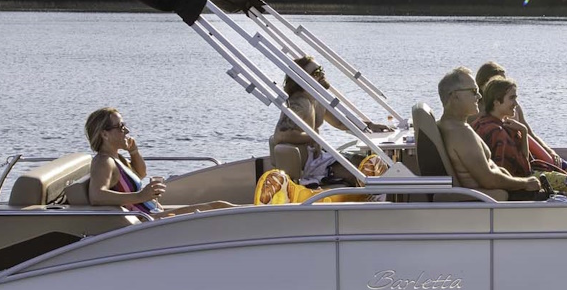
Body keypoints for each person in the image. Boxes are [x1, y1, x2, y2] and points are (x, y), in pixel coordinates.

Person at [435, 67, 559, 200]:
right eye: (474, 91)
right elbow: (489, 180)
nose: (479, 96)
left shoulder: (452, 126)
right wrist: (525, 183)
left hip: (497, 195)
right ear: (455, 95)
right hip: (494, 200)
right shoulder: (461, 135)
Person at [473, 74, 567, 199]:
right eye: (512, 98)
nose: (516, 103)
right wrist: (528, 184)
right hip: (522, 184)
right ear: (496, 102)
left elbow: (524, 162)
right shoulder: (497, 132)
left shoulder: (490, 124)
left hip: (527, 177)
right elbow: (507, 173)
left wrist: (523, 132)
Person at [84, 107, 233, 216]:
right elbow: (96, 196)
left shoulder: (116, 158)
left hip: (152, 214)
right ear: (105, 134)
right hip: (147, 221)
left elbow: (140, 174)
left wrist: (133, 151)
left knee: (220, 206)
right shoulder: (103, 161)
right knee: (218, 207)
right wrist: (140, 196)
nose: (127, 131)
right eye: (121, 127)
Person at [268, 55, 389, 179]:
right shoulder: (299, 102)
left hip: (320, 159)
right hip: (311, 167)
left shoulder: (316, 99)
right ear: (302, 79)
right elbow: (281, 135)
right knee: (365, 172)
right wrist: (313, 138)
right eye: (316, 73)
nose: (321, 75)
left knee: (370, 163)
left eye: (321, 70)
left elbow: (340, 122)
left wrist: (369, 125)